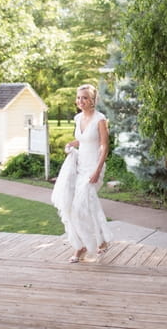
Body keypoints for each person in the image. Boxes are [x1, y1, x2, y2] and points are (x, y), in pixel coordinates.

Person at [51, 84, 113, 263]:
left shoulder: (100, 119)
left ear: (92, 99)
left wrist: (97, 170)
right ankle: (82, 245)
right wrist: (70, 144)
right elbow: (82, 141)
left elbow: (104, 146)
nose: (81, 101)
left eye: (85, 97)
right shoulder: (78, 118)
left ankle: (95, 243)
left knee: (81, 206)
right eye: (78, 98)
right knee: (72, 206)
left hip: (93, 168)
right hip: (79, 167)